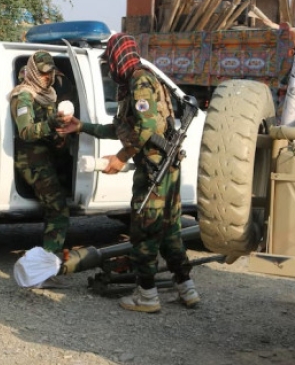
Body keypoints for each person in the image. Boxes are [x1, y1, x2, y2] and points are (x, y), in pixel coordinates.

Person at [57, 33, 199, 313]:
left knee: (144, 231)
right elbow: (124, 128)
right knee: (170, 231)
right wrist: (81, 126)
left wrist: (121, 158)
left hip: (155, 170)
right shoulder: (138, 81)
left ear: (118, 57)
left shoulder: (139, 81)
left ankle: (147, 296)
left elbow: (146, 128)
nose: (110, 66)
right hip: (164, 167)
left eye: (110, 59)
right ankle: (187, 289)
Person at [9, 51, 71, 254]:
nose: (46, 77)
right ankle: (48, 260)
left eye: (49, 72)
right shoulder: (24, 95)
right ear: (34, 72)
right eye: (42, 73)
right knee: (58, 209)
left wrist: (60, 135)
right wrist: (51, 124)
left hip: (46, 155)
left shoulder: (48, 94)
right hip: (32, 159)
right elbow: (26, 132)